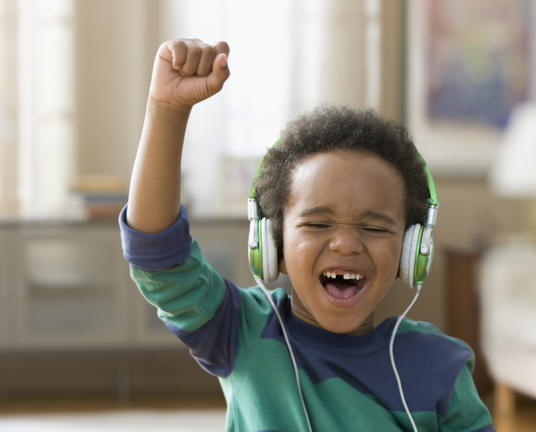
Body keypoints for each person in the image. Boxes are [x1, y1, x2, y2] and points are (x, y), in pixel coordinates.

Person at [120, 38, 495, 432]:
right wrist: (166, 111)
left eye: (373, 227)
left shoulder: (441, 366)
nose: (346, 244)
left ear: (410, 251)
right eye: (317, 223)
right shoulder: (241, 331)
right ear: (274, 244)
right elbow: (157, 256)